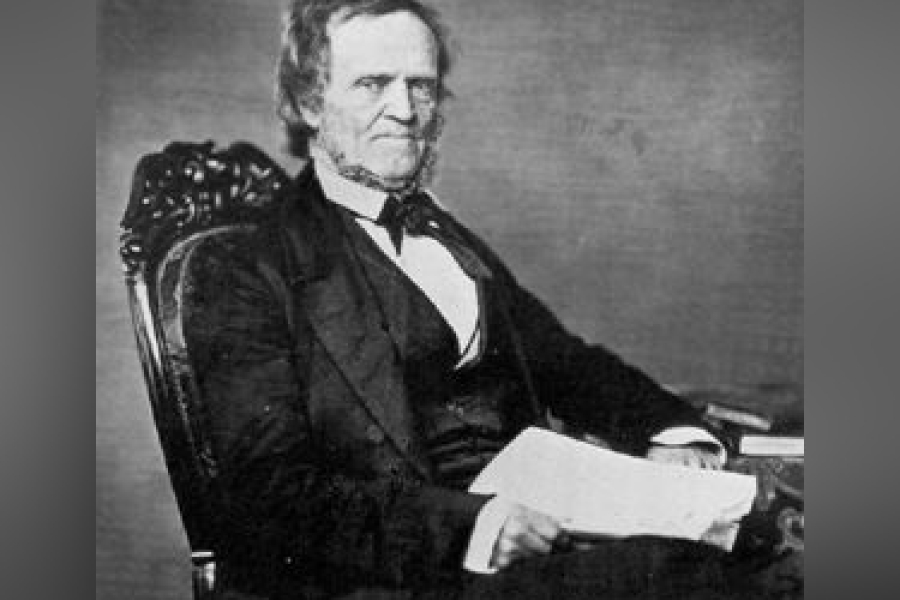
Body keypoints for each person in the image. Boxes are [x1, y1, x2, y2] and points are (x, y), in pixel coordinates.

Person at [186, 1, 757, 598]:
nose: (404, 111)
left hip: (539, 537)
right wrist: (472, 525)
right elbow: (268, 495)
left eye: (421, 87)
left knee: (753, 544)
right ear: (309, 103)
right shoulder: (247, 267)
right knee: (679, 578)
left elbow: (567, 362)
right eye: (372, 84)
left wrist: (673, 434)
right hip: (396, 575)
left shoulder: (446, 239)